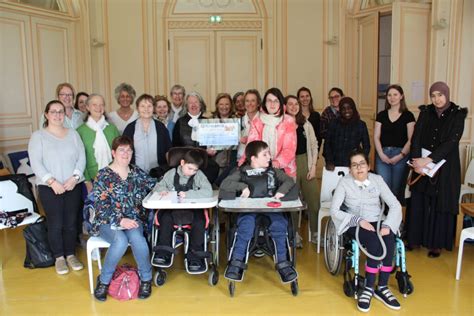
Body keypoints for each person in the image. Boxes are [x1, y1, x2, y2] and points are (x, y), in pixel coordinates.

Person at [330, 149, 402, 312]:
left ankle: (382, 287)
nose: (359, 168)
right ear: (350, 169)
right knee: (375, 241)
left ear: (368, 166)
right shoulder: (344, 183)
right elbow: (334, 210)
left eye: (362, 164)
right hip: (354, 223)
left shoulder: (377, 179)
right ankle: (369, 288)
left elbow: (395, 205)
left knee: (389, 239)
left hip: (377, 221)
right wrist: (358, 220)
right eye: (354, 165)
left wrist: (388, 225)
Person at [405, 81, 467, 258]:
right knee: (418, 201)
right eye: (433, 95)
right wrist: (417, 162)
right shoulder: (425, 112)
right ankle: (414, 239)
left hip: (445, 167)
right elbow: (416, 137)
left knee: (439, 203)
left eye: (440, 95)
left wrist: (428, 160)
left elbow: (451, 142)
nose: (437, 99)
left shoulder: (457, 114)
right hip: (421, 166)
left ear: (446, 95)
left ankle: (436, 244)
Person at [221, 141, 298, 283]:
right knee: (246, 226)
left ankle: (283, 264)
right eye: (265, 154)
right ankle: (236, 263)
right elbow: (225, 184)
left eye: (269, 153)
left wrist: (281, 191)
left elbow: (289, 180)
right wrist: (242, 186)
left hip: (271, 208)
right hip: (249, 210)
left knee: (280, 225)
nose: (269, 157)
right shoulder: (241, 172)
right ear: (253, 159)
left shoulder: (274, 172)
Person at [91, 136, 156, 301]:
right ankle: (104, 281)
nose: (126, 153)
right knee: (119, 241)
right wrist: (120, 220)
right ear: (113, 152)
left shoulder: (136, 172)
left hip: (133, 220)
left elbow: (153, 183)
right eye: (122, 150)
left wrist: (172, 182)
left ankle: (146, 279)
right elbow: (101, 206)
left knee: (138, 238)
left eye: (129, 150)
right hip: (108, 221)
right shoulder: (103, 175)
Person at [28, 100, 86, 275]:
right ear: (46, 115)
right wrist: (52, 182)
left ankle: (70, 254)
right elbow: (36, 163)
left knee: (70, 223)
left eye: (60, 111)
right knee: (55, 223)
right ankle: (59, 257)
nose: (57, 115)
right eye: (53, 111)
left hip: (72, 185)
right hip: (49, 187)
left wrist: (75, 177)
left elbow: (81, 158)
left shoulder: (73, 134)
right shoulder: (38, 136)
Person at [152, 149, 213, 272]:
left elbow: (208, 191)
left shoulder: (199, 175)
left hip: (193, 209)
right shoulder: (171, 174)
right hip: (173, 210)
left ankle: (195, 255)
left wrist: (189, 195)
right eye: (189, 168)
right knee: (165, 218)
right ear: (182, 162)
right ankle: (163, 251)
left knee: (199, 221)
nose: (192, 172)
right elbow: (158, 186)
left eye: (195, 170)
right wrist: (162, 190)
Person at [239, 87, 297, 178]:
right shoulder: (257, 121)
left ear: (280, 103)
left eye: (276, 101)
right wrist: (242, 162)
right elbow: (251, 144)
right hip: (261, 169)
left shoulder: (288, 121)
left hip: (285, 170)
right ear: (265, 103)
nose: (272, 104)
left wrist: (277, 162)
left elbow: (289, 148)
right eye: (269, 100)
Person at [285, 95, 319, 244]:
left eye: (296, 104)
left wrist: (313, 167)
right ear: (285, 106)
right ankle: (294, 234)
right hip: (289, 165)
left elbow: (314, 145)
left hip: (305, 161)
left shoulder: (305, 123)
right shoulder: (283, 124)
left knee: (314, 199)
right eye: (290, 104)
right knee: (292, 201)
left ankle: (315, 232)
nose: (294, 106)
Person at [374, 85, 415, 199]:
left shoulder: (408, 115)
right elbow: (376, 137)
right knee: (383, 188)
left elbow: (411, 139)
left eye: (395, 94)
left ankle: (395, 216)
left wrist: (401, 155)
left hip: (401, 155)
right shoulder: (381, 115)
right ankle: (384, 215)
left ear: (401, 96)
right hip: (383, 155)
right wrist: (381, 154)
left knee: (396, 190)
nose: (392, 98)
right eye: (389, 95)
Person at [77, 94, 120, 192]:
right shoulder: (80, 131)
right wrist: (87, 181)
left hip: (114, 177)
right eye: (94, 104)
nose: (98, 108)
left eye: (101, 105)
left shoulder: (112, 129)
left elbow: (120, 153)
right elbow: (79, 159)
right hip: (91, 180)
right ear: (87, 107)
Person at [123, 94, 171, 173]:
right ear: (137, 109)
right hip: (135, 174)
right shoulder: (130, 128)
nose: (146, 109)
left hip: (158, 174)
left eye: (149, 106)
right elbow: (124, 152)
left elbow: (168, 151)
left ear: (153, 108)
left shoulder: (161, 127)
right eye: (142, 106)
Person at [323, 97, 370, 170]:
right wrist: (329, 161)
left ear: (353, 109)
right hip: (335, 164)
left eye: (349, 108)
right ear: (340, 110)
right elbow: (327, 144)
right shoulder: (333, 124)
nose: (346, 111)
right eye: (343, 109)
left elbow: (367, 146)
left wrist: (360, 161)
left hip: (353, 164)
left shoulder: (361, 125)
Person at [237, 89, 261, 161]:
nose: (250, 103)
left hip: (259, 159)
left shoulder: (264, 120)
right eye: (247, 101)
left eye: (253, 101)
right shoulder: (239, 122)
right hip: (241, 160)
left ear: (258, 103)